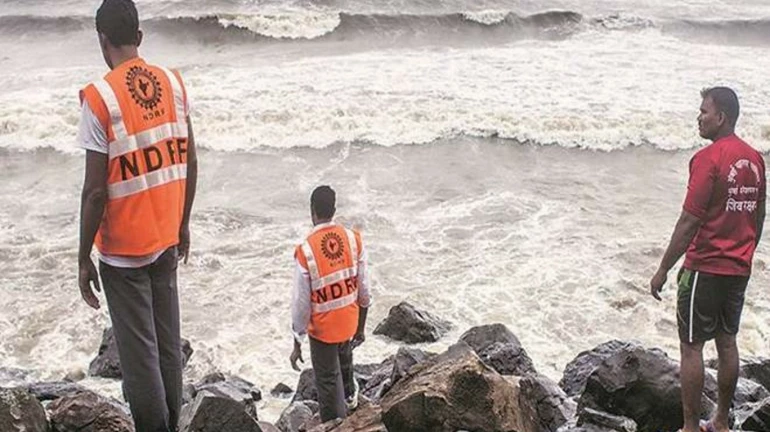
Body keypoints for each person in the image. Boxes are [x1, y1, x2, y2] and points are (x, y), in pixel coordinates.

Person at [76, 0, 198, 430]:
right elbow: (189, 159)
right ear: (139, 37)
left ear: (102, 40)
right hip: (166, 236)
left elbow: (95, 192)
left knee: (140, 357)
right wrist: (183, 223)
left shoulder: (100, 99)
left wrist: (82, 257)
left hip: (124, 252)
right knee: (167, 346)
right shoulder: (173, 84)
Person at [650, 87, 765, 432]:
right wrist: (746, 250)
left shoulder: (707, 159)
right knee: (727, 341)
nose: (698, 117)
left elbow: (690, 220)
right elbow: (759, 214)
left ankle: (689, 427)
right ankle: (721, 421)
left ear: (721, 117)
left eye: (704, 111)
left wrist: (663, 268)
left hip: (704, 267)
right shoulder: (755, 160)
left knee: (691, 347)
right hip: (738, 267)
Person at [290, 186, 372, 422]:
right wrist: (360, 328)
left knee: (328, 383)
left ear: (312, 211)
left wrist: (297, 341)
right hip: (348, 322)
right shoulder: (353, 239)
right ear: (334, 210)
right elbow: (364, 290)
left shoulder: (306, 251)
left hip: (323, 331)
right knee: (345, 364)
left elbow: (301, 305)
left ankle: (336, 423)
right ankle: (350, 399)